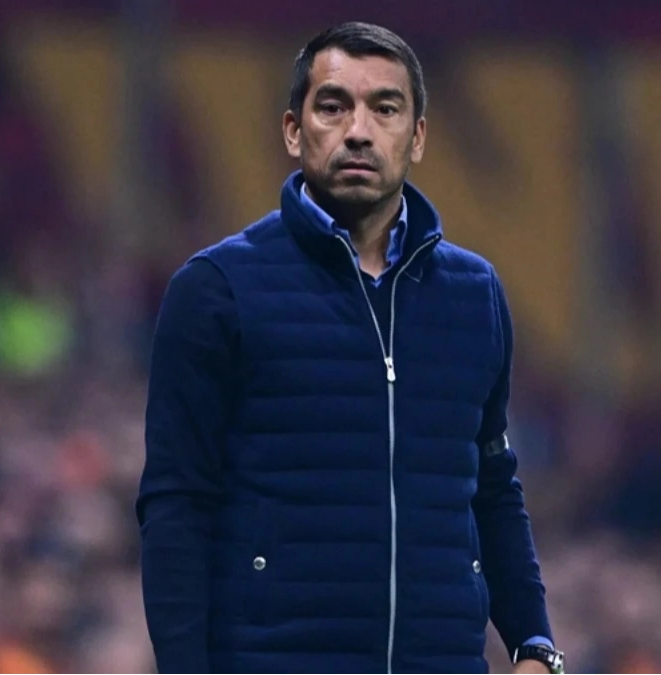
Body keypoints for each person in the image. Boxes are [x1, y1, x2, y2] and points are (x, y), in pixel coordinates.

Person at [137, 21, 564, 675]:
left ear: (417, 136)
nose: (359, 131)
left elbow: (491, 487)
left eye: (385, 108)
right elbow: (177, 504)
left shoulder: (474, 294)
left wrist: (535, 644)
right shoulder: (218, 289)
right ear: (293, 130)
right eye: (334, 107)